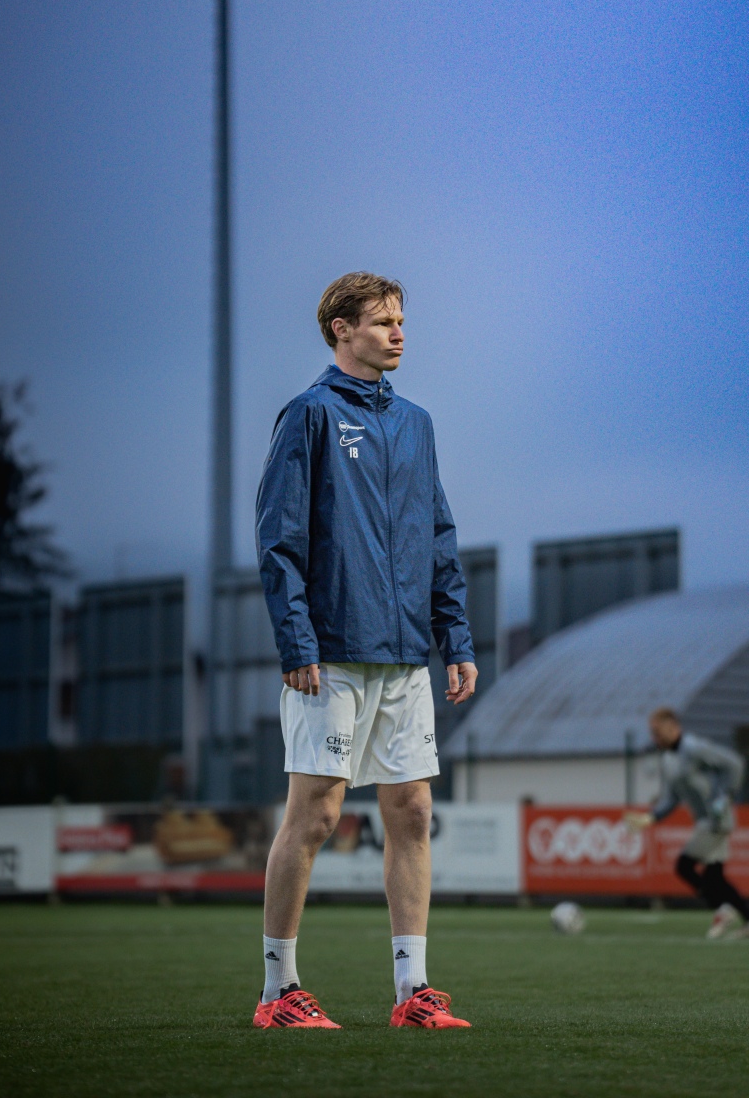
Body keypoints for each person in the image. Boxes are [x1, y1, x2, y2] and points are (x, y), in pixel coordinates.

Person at [253, 272, 477, 1029]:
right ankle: (278, 991)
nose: (398, 333)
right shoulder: (309, 414)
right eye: (382, 322)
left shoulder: (417, 423)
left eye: (401, 320)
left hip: (406, 654)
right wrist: (296, 641)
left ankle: (414, 991)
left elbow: (438, 536)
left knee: (412, 812)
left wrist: (455, 637)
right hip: (331, 654)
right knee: (315, 816)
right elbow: (279, 539)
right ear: (340, 330)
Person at [626, 707, 748, 940]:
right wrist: (651, 817)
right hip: (704, 821)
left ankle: (723, 908)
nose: (654, 738)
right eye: (652, 733)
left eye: (657, 732)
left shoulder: (694, 748)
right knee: (715, 878)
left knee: (684, 866)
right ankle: (738, 913)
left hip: (715, 820)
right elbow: (672, 797)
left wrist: (724, 796)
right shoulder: (668, 759)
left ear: (673, 728)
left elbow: (734, 764)